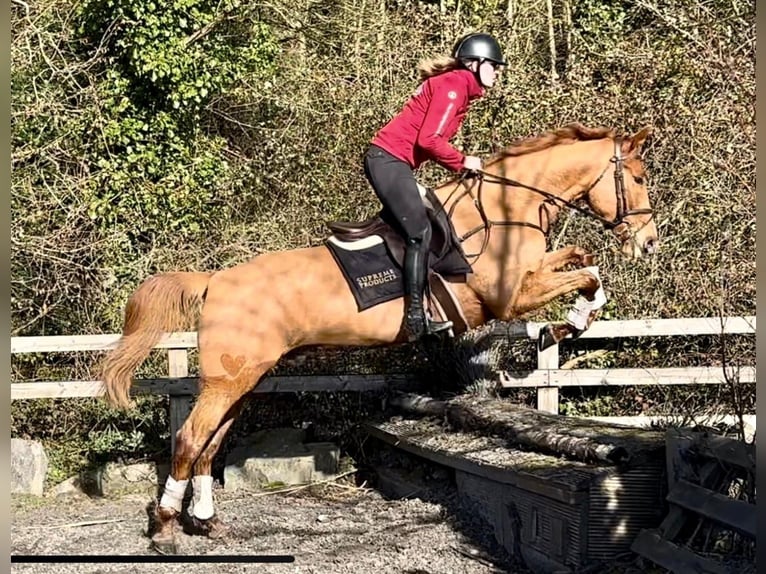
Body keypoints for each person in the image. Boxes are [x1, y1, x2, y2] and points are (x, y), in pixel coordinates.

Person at [363, 32, 506, 340]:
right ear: (474, 63)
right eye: (493, 65)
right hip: (387, 160)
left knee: (427, 223)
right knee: (419, 232)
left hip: (394, 162)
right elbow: (428, 140)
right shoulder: (454, 86)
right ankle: (415, 318)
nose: (498, 71)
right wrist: (462, 161)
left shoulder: (459, 88)